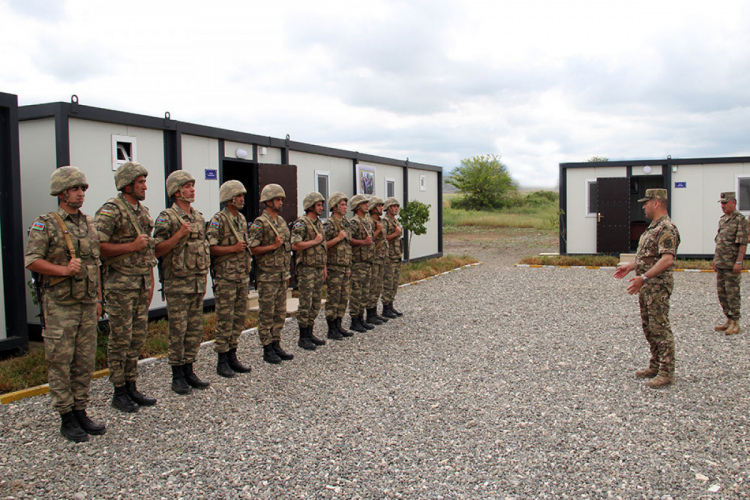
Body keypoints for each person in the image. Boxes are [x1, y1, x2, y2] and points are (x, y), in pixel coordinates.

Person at [26, 166, 106, 442]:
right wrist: (63, 271)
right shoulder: (46, 223)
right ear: (61, 193)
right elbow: (32, 260)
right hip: (60, 305)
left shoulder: (89, 223)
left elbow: (95, 263)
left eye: (83, 189)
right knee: (61, 361)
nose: (81, 193)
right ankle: (66, 416)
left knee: (85, 361)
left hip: (85, 303)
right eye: (75, 189)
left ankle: (81, 409)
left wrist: (97, 299)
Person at [95, 162, 157, 413]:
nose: (145, 186)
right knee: (120, 339)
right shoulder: (111, 211)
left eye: (144, 181)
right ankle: (118, 391)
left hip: (141, 283)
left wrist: (150, 282)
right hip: (120, 285)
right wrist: (130, 247)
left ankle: (131, 385)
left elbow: (148, 249)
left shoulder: (142, 212)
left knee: (136, 338)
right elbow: (96, 246)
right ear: (127, 185)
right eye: (140, 182)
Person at [614, 188, 680, 389]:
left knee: (660, 327)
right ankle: (655, 365)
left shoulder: (666, 228)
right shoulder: (653, 228)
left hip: (657, 286)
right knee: (649, 327)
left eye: (646, 202)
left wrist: (643, 277)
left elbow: (667, 260)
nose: (643, 206)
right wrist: (631, 266)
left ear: (656, 203)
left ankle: (666, 372)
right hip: (647, 286)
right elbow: (647, 257)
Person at [154, 171, 211, 395]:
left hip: (196, 283)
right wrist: (178, 235)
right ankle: (177, 375)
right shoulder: (167, 217)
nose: (192, 190)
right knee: (178, 330)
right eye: (187, 186)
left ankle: (189, 369)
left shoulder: (198, 217)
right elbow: (157, 250)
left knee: (194, 329)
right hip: (177, 284)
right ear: (177, 191)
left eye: (193, 186)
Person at [207, 180, 253, 378]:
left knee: (238, 318)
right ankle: (222, 360)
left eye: (242, 195)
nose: (242, 199)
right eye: (239, 196)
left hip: (241, 276)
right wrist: (232, 249)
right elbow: (210, 248)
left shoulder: (241, 219)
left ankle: (233, 355)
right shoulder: (219, 219)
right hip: (226, 277)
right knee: (225, 319)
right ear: (229, 198)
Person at [248, 183, 294, 364]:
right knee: (267, 313)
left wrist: (287, 274)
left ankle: (276, 343)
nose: (280, 202)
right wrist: (272, 246)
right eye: (277, 199)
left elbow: (286, 250)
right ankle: (267, 347)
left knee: (279, 312)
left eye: (281, 199)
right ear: (267, 202)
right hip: (267, 276)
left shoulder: (281, 222)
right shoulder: (260, 223)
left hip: (281, 274)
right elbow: (252, 249)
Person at [291, 192, 329, 350]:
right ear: (311, 206)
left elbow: (323, 247)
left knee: (315, 303)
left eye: (321, 205)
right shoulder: (301, 223)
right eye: (319, 205)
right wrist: (314, 241)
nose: (321, 207)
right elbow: (295, 245)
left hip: (318, 268)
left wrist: (324, 267)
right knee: (305, 303)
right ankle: (303, 337)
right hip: (306, 269)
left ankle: (310, 332)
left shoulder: (319, 223)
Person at [713, 191, 748, 335]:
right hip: (721, 262)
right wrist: (715, 259)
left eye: (725, 203)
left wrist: (739, 262)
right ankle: (728, 318)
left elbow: (742, 243)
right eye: (721, 203)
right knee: (722, 293)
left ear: (733, 202)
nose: (723, 206)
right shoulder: (722, 220)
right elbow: (719, 241)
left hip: (731, 263)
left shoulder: (740, 220)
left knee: (732, 293)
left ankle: (735, 322)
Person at [323, 192, 354, 339]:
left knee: (343, 297)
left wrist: (349, 266)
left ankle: (339, 325)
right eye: (342, 204)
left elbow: (348, 246)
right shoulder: (329, 224)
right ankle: (331, 328)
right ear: (334, 207)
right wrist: (338, 238)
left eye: (345, 204)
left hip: (345, 266)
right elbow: (323, 246)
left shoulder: (346, 223)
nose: (345, 207)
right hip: (334, 266)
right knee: (334, 297)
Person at [348, 194, 375, 332]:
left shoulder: (366, 222)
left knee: (365, 292)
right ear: (358, 206)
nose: (367, 205)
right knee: (356, 293)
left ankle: (361, 318)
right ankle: (354, 320)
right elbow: (348, 240)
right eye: (364, 203)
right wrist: (363, 242)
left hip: (367, 262)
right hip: (358, 262)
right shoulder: (354, 222)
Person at [365, 196, 389, 326]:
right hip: (373, 259)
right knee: (372, 287)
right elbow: (369, 241)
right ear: (373, 208)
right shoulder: (369, 222)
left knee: (378, 287)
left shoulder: (380, 221)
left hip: (381, 258)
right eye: (379, 206)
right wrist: (378, 230)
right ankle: (369, 314)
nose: (381, 208)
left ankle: (374, 313)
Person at [381, 197, 404, 318]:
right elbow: (383, 238)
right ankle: (385, 307)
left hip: (396, 256)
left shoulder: (395, 221)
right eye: (394, 206)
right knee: (388, 283)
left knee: (394, 284)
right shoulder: (385, 221)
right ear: (389, 208)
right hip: (388, 257)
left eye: (397, 206)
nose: (396, 208)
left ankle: (390, 305)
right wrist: (395, 233)